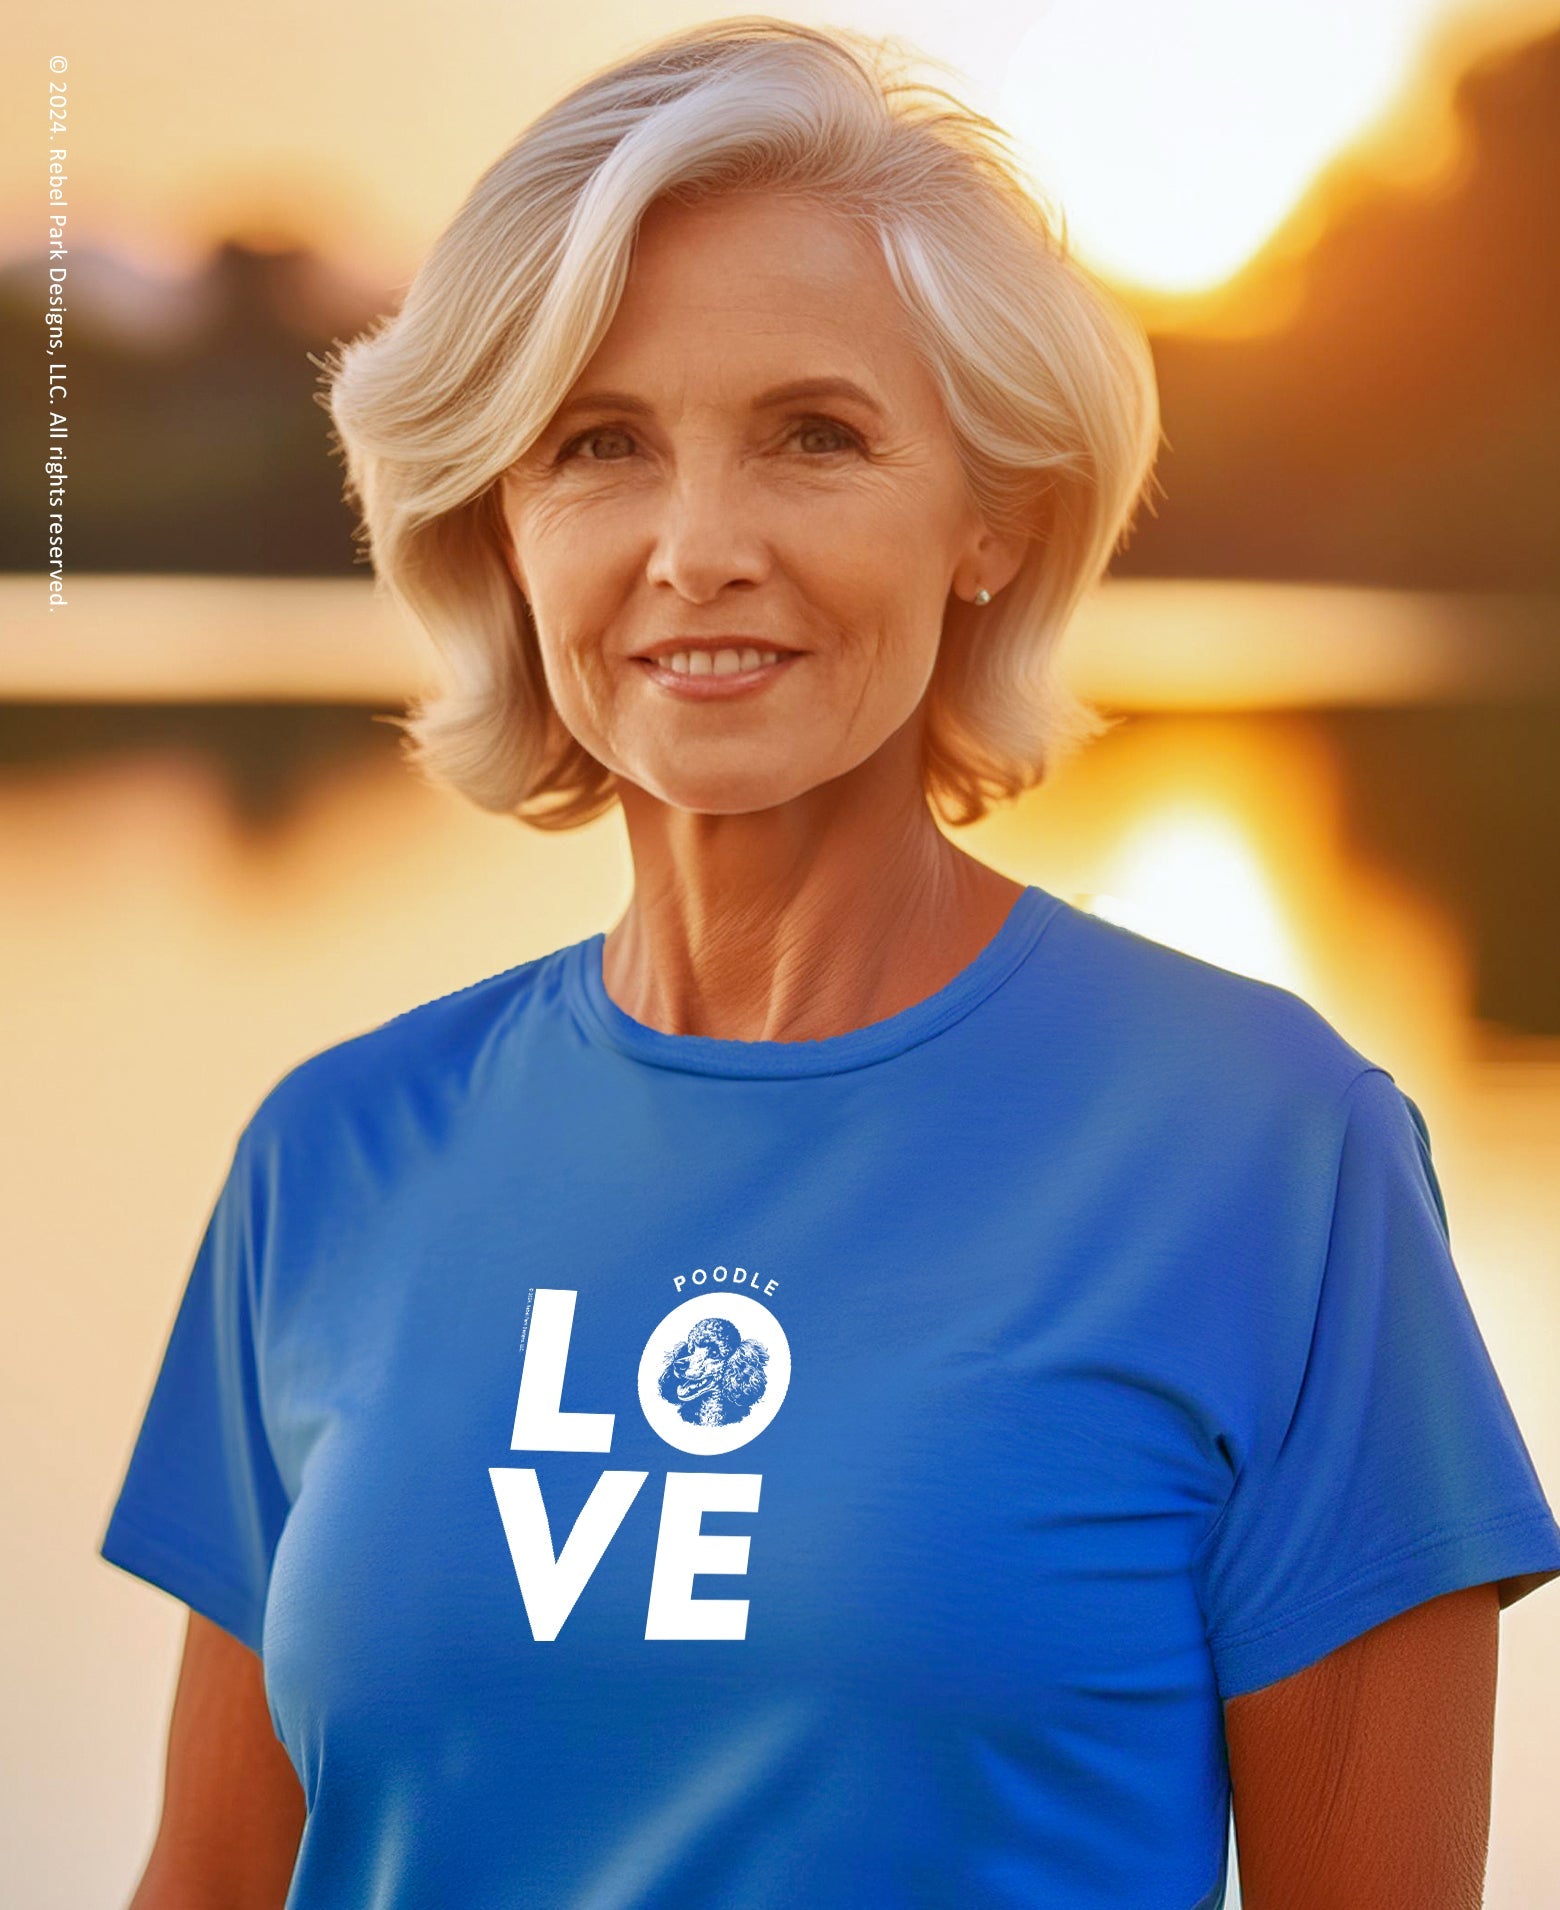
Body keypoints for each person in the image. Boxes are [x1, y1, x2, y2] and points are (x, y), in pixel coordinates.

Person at [99, 18, 1560, 1909]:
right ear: (498, 520)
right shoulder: (333, 1156)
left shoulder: (1267, 1154)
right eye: (599, 445)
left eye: (817, 436)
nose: (700, 549)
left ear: (992, 522)